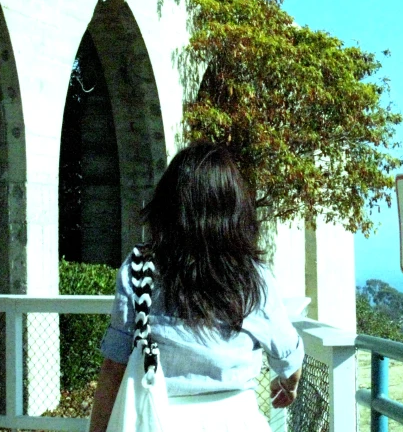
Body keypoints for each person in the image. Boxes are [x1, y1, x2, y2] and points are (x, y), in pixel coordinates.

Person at [89, 143, 303, 432]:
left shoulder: (140, 268)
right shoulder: (254, 279)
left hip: (155, 419)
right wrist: (288, 384)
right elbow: (289, 356)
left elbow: (114, 368)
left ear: (168, 203)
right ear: (235, 208)